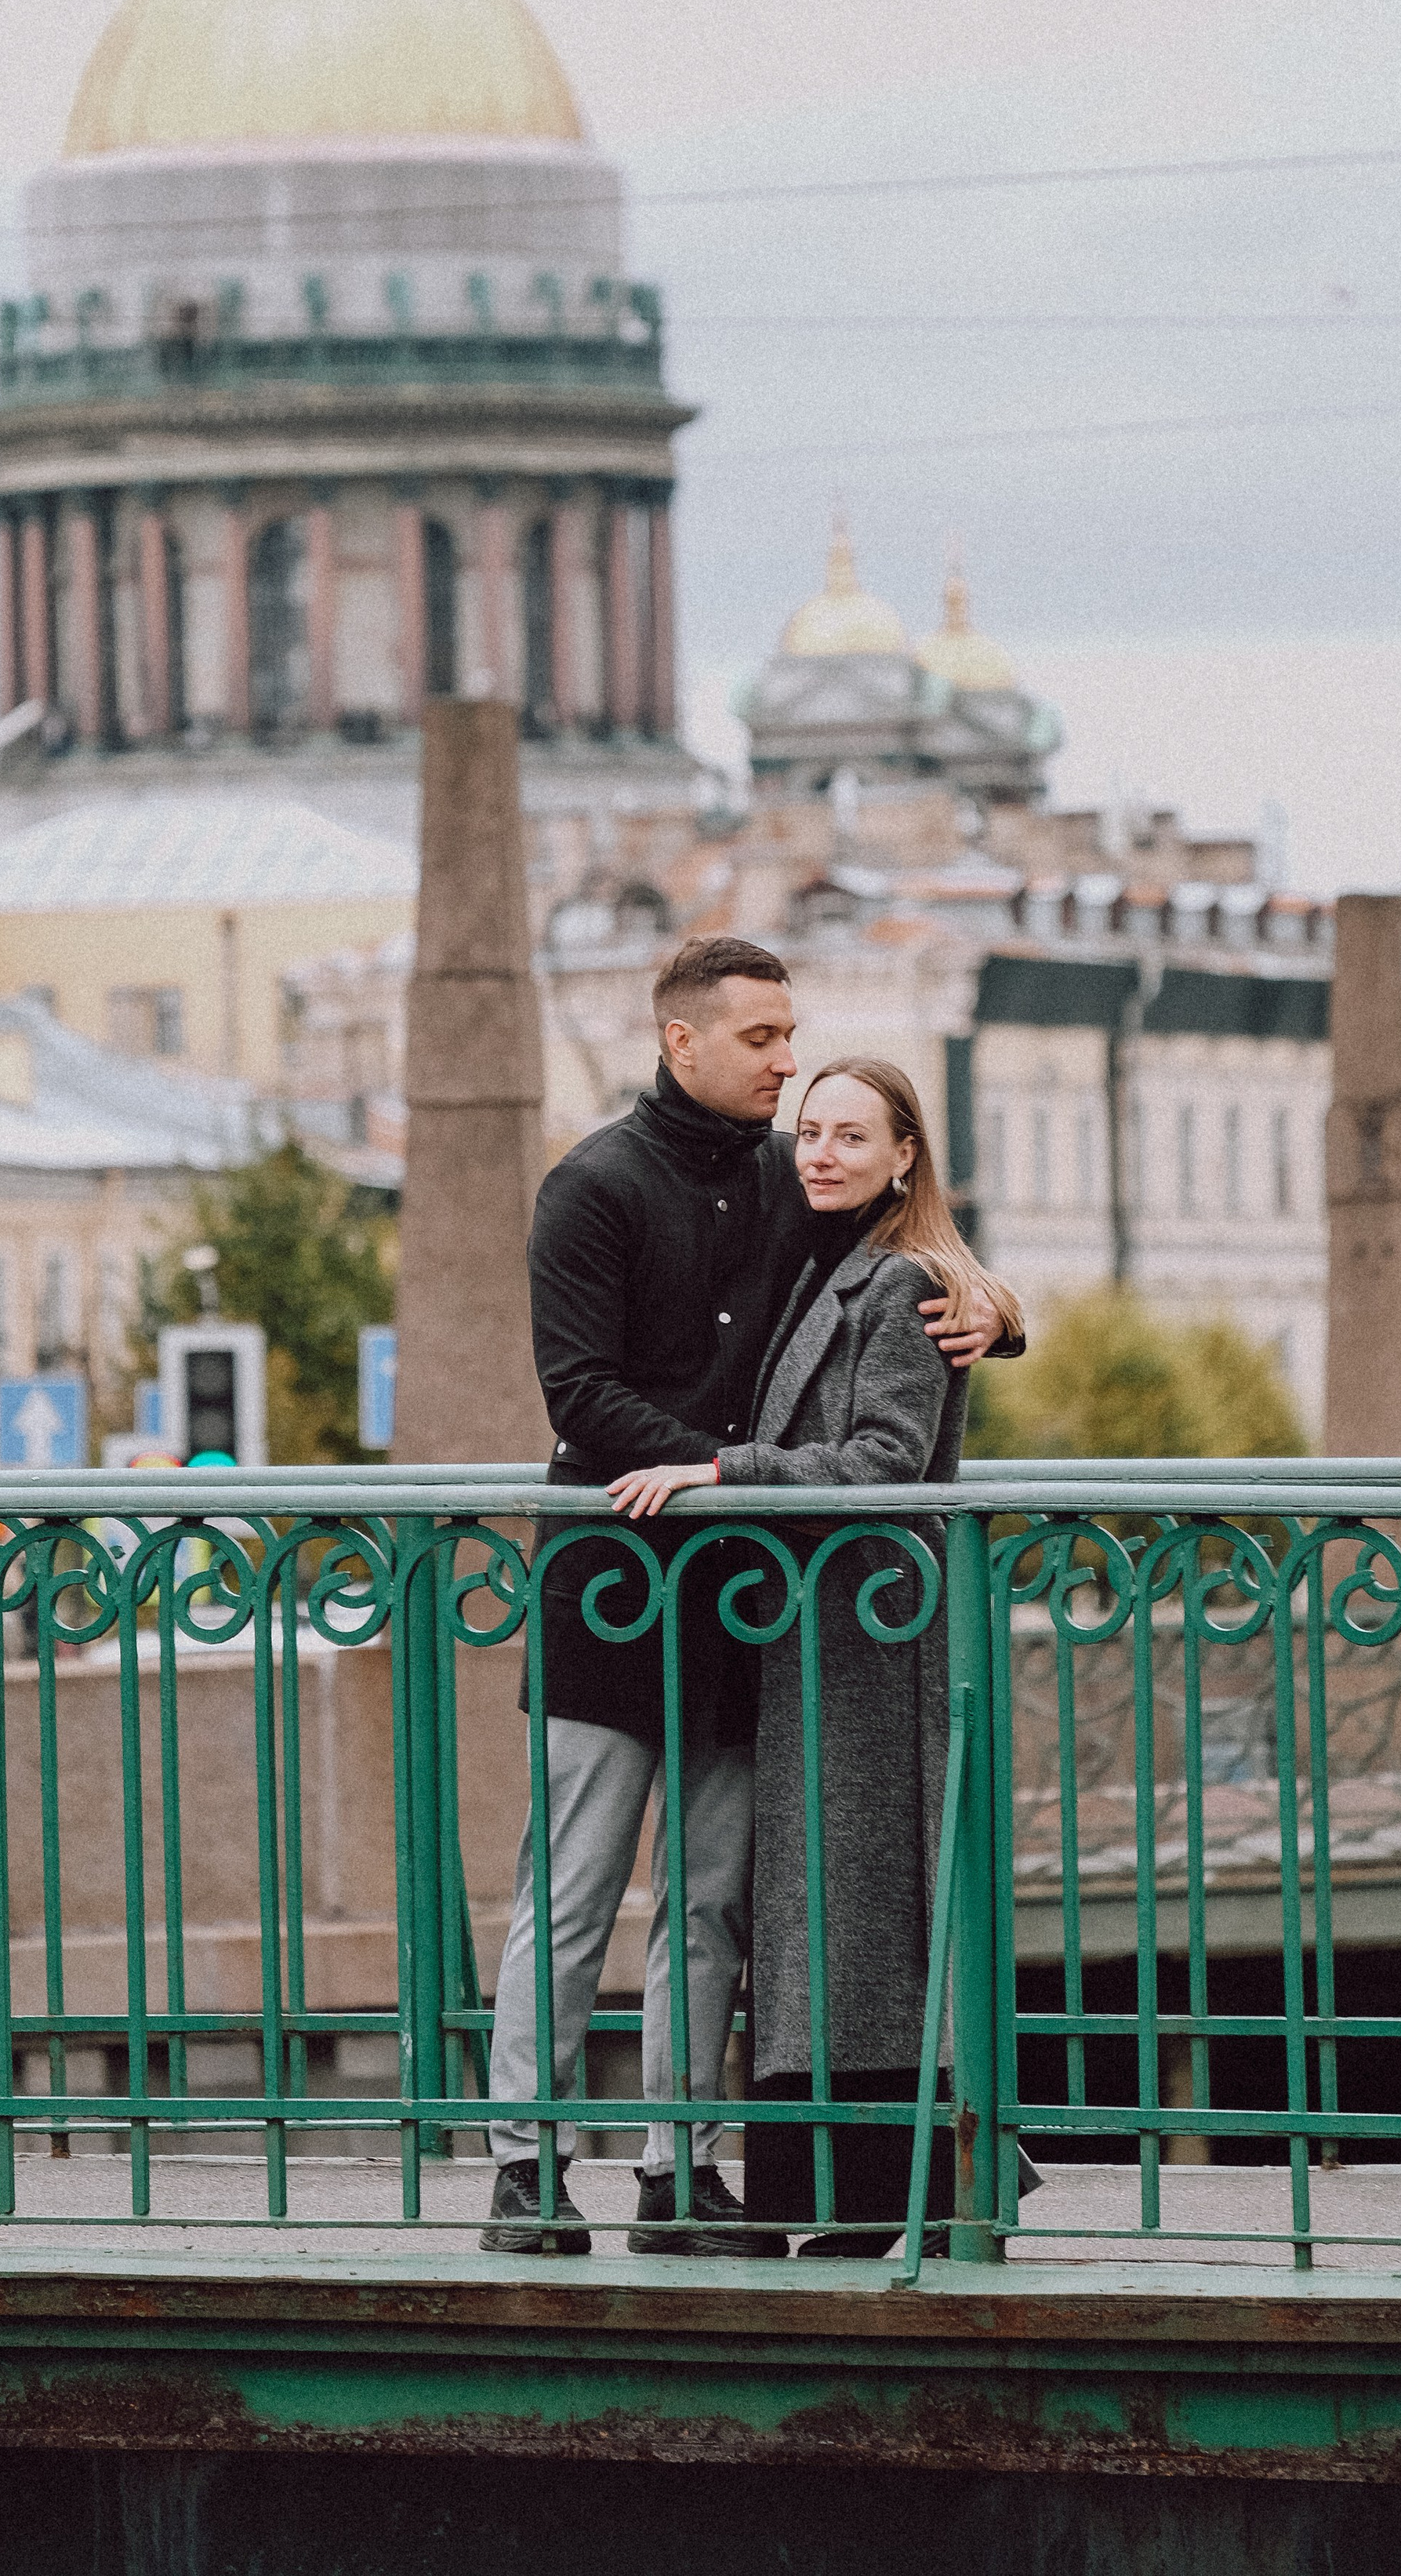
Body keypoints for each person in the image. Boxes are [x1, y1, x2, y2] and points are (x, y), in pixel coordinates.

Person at [481, 941, 1018, 2256]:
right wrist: (699, 1469)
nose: (790, 1062)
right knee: (573, 1892)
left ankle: (680, 2169)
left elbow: (907, 1253)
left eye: (793, 1038)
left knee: (711, 1903)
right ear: (684, 1045)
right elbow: (580, 1393)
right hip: (611, 1586)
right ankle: (524, 2170)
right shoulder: (592, 1186)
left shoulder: (796, 1176)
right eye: (766, 1040)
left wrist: (998, 1313)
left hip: (743, 1600)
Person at [610, 1058, 1024, 2254]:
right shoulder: (832, 1260)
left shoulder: (899, 1282)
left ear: (907, 1156)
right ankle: (857, 2194)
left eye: (852, 1135)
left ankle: (879, 2195)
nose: (822, 1153)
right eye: (810, 1133)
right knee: (829, 1922)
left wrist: (722, 1471)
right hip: (823, 1634)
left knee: (860, 1922)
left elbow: (887, 1459)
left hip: (872, 1639)